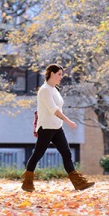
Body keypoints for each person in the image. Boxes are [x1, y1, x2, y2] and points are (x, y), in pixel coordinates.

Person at [21, 63, 95, 192]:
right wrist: (68, 121)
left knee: (66, 153)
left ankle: (79, 183)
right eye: (59, 74)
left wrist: (63, 122)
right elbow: (53, 109)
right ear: (52, 74)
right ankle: (27, 182)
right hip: (46, 127)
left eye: (62, 74)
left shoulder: (55, 89)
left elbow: (57, 107)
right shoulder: (44, 90)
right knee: (37, 154)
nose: (61, 77)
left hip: (56, 127)